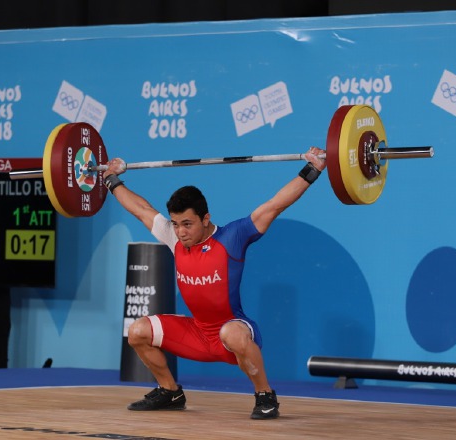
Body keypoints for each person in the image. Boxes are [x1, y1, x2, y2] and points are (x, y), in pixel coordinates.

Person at [102, 146, 326, 419]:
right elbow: (141, 210)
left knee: (230, 334)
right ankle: (170, 392)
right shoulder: (174, 237)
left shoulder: (233, 237)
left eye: (187, 224)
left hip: (233, 332)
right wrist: (111, 180)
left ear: (205, 218)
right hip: (197, 333)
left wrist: (312, 169)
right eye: (175, 224)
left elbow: (275, 204)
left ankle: (265, 396)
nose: (180, 232)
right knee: (137, 331)